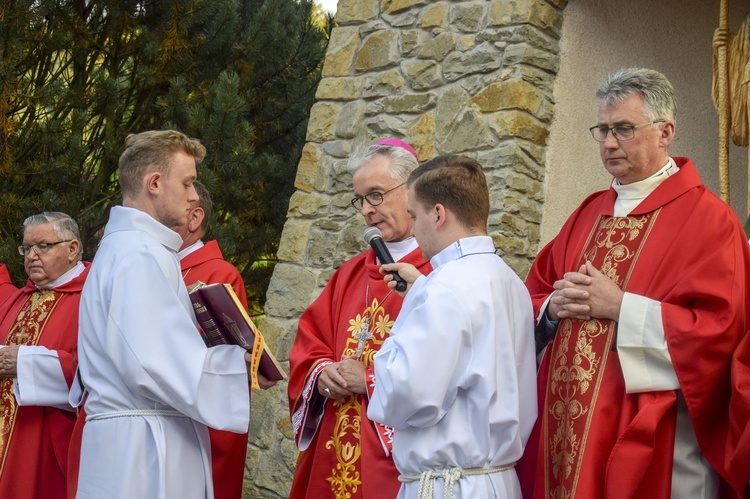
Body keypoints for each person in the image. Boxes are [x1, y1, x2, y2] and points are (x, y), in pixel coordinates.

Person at [519, 68, 750, 498]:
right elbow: (532, 294)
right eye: (602, 130)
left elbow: (722, 333)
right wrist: (551, 308)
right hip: (565, 433)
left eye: (624, 129)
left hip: (654, 437)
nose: (608, 143)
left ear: (665, 132)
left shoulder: (710, 221)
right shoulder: (588, 213)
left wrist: (622, 307)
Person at [73, 130, 254, 499]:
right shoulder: (140, 254)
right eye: (187, 182)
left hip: (128, 439)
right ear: (154, 183)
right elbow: (155, 362)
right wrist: (241, 364)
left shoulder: (126, 247)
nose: (193, 195)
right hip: (142, 453)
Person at [366, 155, 537, 499]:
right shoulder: (510, 280)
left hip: (449, 486)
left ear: (439, 214)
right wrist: (423, 290)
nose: (413, 229)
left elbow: (403, 397)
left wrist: (416, 302)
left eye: (415, 215)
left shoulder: (443, 287)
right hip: (497, 481)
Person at [287, 139, 432, 499]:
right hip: (332, 443)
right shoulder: (349, 275)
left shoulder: (436, 273)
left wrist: (369, 378)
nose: (367, 210)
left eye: (376, 195)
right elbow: (310, 342)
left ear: (412, 189)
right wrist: (322, 373)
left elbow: (442, 366)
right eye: (361, 199)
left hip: (393, 454)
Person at [173, 179, 276, 499]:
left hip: (200, 413)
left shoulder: (218, 272)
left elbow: (232, 348)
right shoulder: (160, 266)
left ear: (195, 218)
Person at [0, 212, 89, 498]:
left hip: (44, 440)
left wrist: (24, 363)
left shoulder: (93, 297)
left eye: (43, 246)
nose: (32, 256)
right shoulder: (19, 297)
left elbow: (94, 371)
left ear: (72, 248)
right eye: (27, 248)